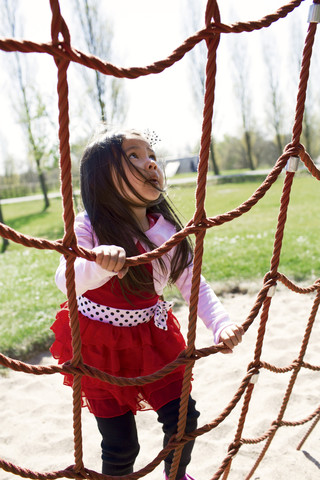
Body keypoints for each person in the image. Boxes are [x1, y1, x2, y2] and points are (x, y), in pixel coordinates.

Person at [50, 127, 244, 480]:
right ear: (102, 180)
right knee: (122, 445)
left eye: (151, 155)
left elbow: (192, 282)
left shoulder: (166, 230)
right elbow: (65, 279)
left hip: (153, 337)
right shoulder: (89, 225)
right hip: (100, 344)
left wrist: (220, 323)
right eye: (134, 156)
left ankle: (175, 476)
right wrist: (97, 263)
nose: (151, 163)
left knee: (184, 418)